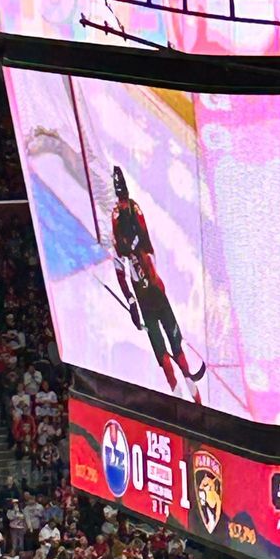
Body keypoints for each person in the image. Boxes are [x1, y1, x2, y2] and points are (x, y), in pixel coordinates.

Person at [111, 164, 201, 404]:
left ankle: (194, 393)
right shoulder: (116, 224)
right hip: (144, 302)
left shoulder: (135, 210)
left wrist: (134, 247)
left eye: (123, 199)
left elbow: (145, 238)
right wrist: (130, 301)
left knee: (176, 347)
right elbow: (119, 268)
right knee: (162, 354)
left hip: (157, 295)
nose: (121, 204)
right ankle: (177, 398)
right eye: (118, 199)